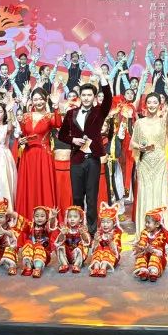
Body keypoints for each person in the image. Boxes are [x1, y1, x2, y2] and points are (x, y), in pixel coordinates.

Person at [62, 74, 113, 234]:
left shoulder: (99, 112)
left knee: (91, 198)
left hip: (92, 160)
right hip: (76, 160)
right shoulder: (71, 113)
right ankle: (76, 231)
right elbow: (62, 135)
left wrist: (103, 78)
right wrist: (73, 140)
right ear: (80, 96)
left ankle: (91, 232)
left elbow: (108, 99)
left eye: (89, 95)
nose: (86, 98)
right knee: (77, 197)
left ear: (94, 97)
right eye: (83, 95)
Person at [130, 88, 168, 233]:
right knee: (144, 193)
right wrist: (140, 147)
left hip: (160, 163)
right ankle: (144, 230)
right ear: (145, 105)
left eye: (155, 102)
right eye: (149, 102)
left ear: (159, 105)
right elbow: (132, 142)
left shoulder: (164, 122)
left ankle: (161, 231)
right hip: (144, 163)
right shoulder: (139, 123)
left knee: (159, 193)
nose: (152, 105)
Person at [15, 88, 62, 222]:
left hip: (43, 156)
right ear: (32, 101)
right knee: (28, 187)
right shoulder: (26, 116)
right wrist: (21, 141)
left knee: (44, 186)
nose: (38, 102)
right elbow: (23, 133)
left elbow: (58, 123)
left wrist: (56, 106)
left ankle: (46, 221)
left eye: (41, 99)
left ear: (46, 100)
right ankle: (26, 220)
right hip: (28, 156)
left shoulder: (49, 116)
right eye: (35, 99)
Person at [133, 206, 168, 282]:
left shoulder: (161, 235)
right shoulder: (145, 232)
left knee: (155, 255)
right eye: (145, 222)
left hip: (158, 257)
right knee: (141, 254)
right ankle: (143, 270)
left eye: (148, 222)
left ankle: (153, 271)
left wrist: (151, 249)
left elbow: (157, 247)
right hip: (147, 254)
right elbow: (142, 242)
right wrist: (139, 247)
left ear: (157, 224)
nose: (146, 224)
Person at [18, 206, 58, 279]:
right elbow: (22, 222)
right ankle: (28, 266)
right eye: (37, 216)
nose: (39, 218)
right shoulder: (31, 226)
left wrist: (53, 217)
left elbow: (51, 225)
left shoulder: (46, 228)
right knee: (28, 242)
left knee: (39, 245)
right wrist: (13, 214)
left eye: (42, 216)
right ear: (33, 217)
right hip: (32, 254)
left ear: (46, 218)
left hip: (43, 256)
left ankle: (38, 269)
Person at [89, 202, 123, 277]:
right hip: (100, 254)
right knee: (98, 249)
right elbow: (93, 250)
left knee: (107, 250)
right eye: (103, 222)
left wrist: (110, 241)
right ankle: (96, 267)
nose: (105, 225)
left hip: (111, 256)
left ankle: (103, 268)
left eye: (108, 222)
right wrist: (96, 241)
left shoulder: (115, 234)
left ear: (114, 223)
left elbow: (116, 251)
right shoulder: (99, 233)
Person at [57, 205, 91, 273]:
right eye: (70, 217)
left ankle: (76, 265)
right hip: (68, 254)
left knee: (82, 246)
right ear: (67, 218)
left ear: (80, 219)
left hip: (78, 254)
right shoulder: (66, 229)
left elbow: (87, 242)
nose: (72, 219)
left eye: (75, 217)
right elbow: (59, 241)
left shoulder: (82, 229)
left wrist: (82, 234)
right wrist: (62, 234)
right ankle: (64, 264)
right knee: (60, 246)